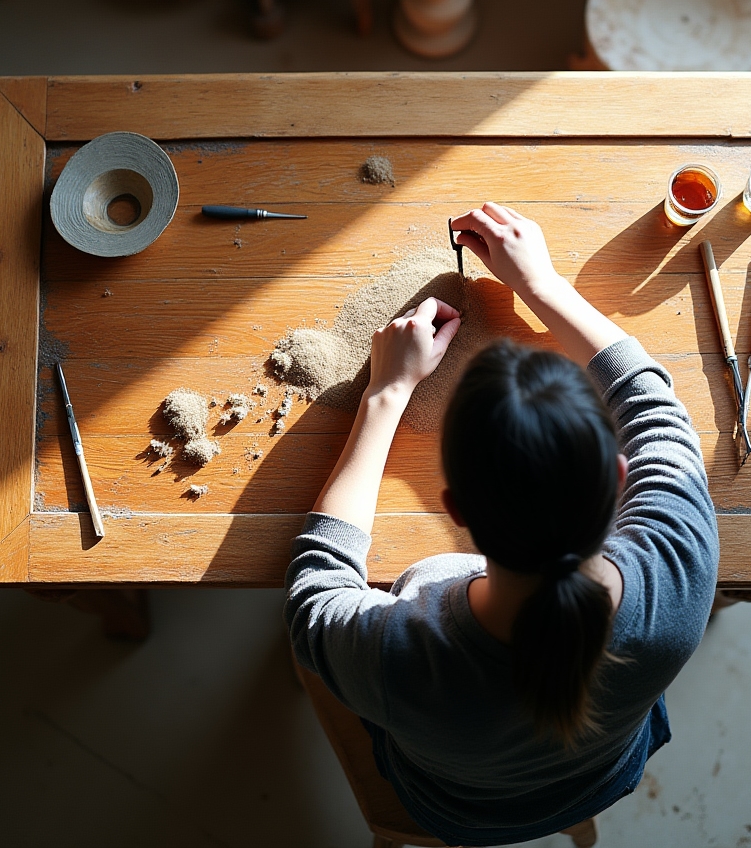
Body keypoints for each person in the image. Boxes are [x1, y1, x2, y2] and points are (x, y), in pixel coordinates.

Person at [284, 202, 719, 845]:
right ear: (622, 481)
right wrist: (541, 285)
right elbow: (650, 399)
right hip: (603, 773)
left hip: (448, 806)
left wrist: (385, 395)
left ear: (456, 511)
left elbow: (315, 591)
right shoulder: (679, 573)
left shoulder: (398, 655)